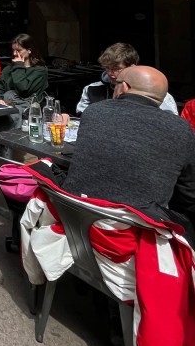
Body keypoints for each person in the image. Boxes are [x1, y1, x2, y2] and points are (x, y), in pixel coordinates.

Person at [60, 66, 195, 243]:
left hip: (76, 218)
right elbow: (189, 192)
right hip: (136, 231)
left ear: (124, 87)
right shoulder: (180, 129)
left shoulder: (94, 112)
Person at [76, 42, 178, 115]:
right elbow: (82, 117)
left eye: (116, 69)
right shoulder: (92, 89)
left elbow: (170, 123)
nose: (110, 73)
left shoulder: (155, 93)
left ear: (132, 67)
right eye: (107, 68)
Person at [0, 33, 48, 106]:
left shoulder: (39, 71)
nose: (15, 53)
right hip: (6, 105)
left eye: (19, 50)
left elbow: (24, 89)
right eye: (13, 50)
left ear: (29, 50)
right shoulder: (9, 69)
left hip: (26, 109)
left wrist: (19, 66)